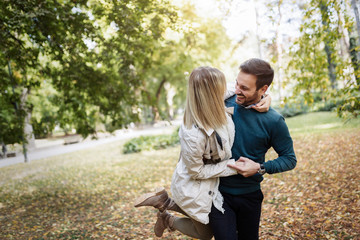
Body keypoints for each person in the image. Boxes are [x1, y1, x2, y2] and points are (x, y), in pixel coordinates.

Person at [134, 66, 271, 239]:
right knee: (206, 234)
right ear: (212, 92)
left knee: (209, 230)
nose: (231, 89)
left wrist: (266, 97)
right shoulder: (193, 134)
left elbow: (248, 89)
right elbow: (196, 171)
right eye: (221, 85)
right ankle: (167, 216)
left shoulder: (214, 97)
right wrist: (232, 166)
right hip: (193, 188)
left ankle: (163, 201)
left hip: (209, 184)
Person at [209, 58, 297, 240]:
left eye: (245, 88)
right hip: (217, 193)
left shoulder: (274, 121)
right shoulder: (223, 102)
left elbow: (289, 158)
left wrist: (259, 167)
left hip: (250, 196)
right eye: (237, 84)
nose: (237, 91)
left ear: (263, 89)